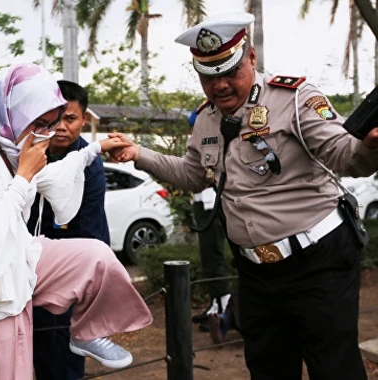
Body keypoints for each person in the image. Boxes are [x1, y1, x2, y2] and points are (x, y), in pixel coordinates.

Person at [109, 12, 378, 380]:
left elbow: (345, 155)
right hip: (254, 272)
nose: (219, 85)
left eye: (229, 72)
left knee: (334, 369)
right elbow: (193, 175)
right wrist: (138, 154)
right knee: (267, 370)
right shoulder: (206, 118)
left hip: (318, 263)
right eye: (208, 75)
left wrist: (370, 147)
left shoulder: (295, 98)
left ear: (251, 58)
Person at [0, 63, 153, 380]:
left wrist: (96, 148)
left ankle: (86, 331)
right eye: (39, 123)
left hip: (21, 262)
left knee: (97, 258)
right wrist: (24, 175)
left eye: (50, 123)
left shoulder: (12, 148)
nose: (46, 133)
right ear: (13, 111)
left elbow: (56, 175)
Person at [26, 80, 109, 380]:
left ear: (83, 120)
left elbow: (87, 235)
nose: (61, 127)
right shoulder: (31, 152)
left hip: (65, 276)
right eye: (55, 118)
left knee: (62, 362)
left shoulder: (89, 165)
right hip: (24, 275)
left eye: (70, 119)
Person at [188, 108, 232, 335]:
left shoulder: (215, 142)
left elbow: (210, 174)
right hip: (201, 202)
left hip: (212, 202)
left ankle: (224, 308)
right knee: (208, 257)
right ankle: (216, 303)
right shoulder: (197, 142)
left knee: (214, 255)